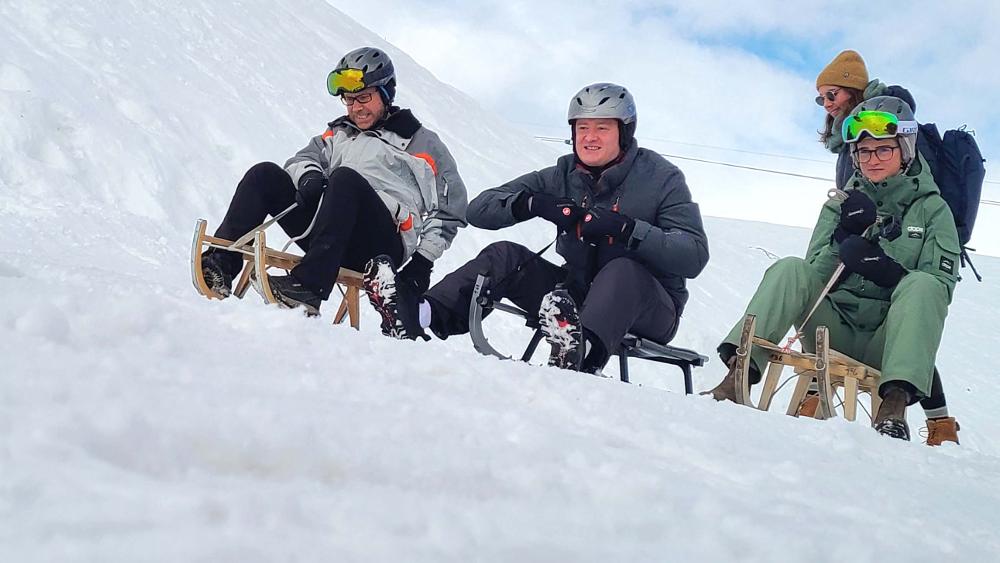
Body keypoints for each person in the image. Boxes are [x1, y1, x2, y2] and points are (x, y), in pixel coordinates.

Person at [363, 82, 709, 374]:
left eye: (602, 128)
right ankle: (419, 316)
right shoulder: (563, 174)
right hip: (571, 298)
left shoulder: (662, 179)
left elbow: (693, 255)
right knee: (505, 255)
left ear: (624, 132)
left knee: (622, 269)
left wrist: (628, 230)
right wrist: (533, 204)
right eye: (582, 128)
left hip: (649, 306)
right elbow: (480, 209)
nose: (590, 138)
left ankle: (581, 350)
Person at [705, 96, 961, 442]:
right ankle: (737, 378)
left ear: (905, 150)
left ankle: (893, 408)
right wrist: (842, 238)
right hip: (830, 329)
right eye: (864, 151)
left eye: (883, 150)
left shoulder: (933, 210)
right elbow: (813, 277)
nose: (872, 159)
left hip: (887, 341)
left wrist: (888, 271)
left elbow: (940, 287)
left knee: (924, 285)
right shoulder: (839, 205)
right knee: (790, 269)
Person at [199, 47, 468, 316]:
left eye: (364, 97)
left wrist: (423, 262)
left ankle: (308, 287)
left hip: (380, 246)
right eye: (349, 101)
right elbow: (302, 159)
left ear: (386, 94)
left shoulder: (420, 142)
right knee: (264, 175)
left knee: (345, 179)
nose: (356, 108)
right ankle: (221, 263)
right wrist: (310, 176)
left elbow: (451, 207)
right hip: (330, 235)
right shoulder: (340, 132)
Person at [814, 50, 959, 444]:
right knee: (859, 304)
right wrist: (844, 232)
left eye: (832, 95)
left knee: (910, 314)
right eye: (821, 98)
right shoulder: (850, 133)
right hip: (865, 220)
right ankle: (940, 421)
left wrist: (891, 252)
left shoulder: (883, 118)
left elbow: (907, 177)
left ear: (853, 90)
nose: (826, 105)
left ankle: (934, 419)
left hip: (909, 231)